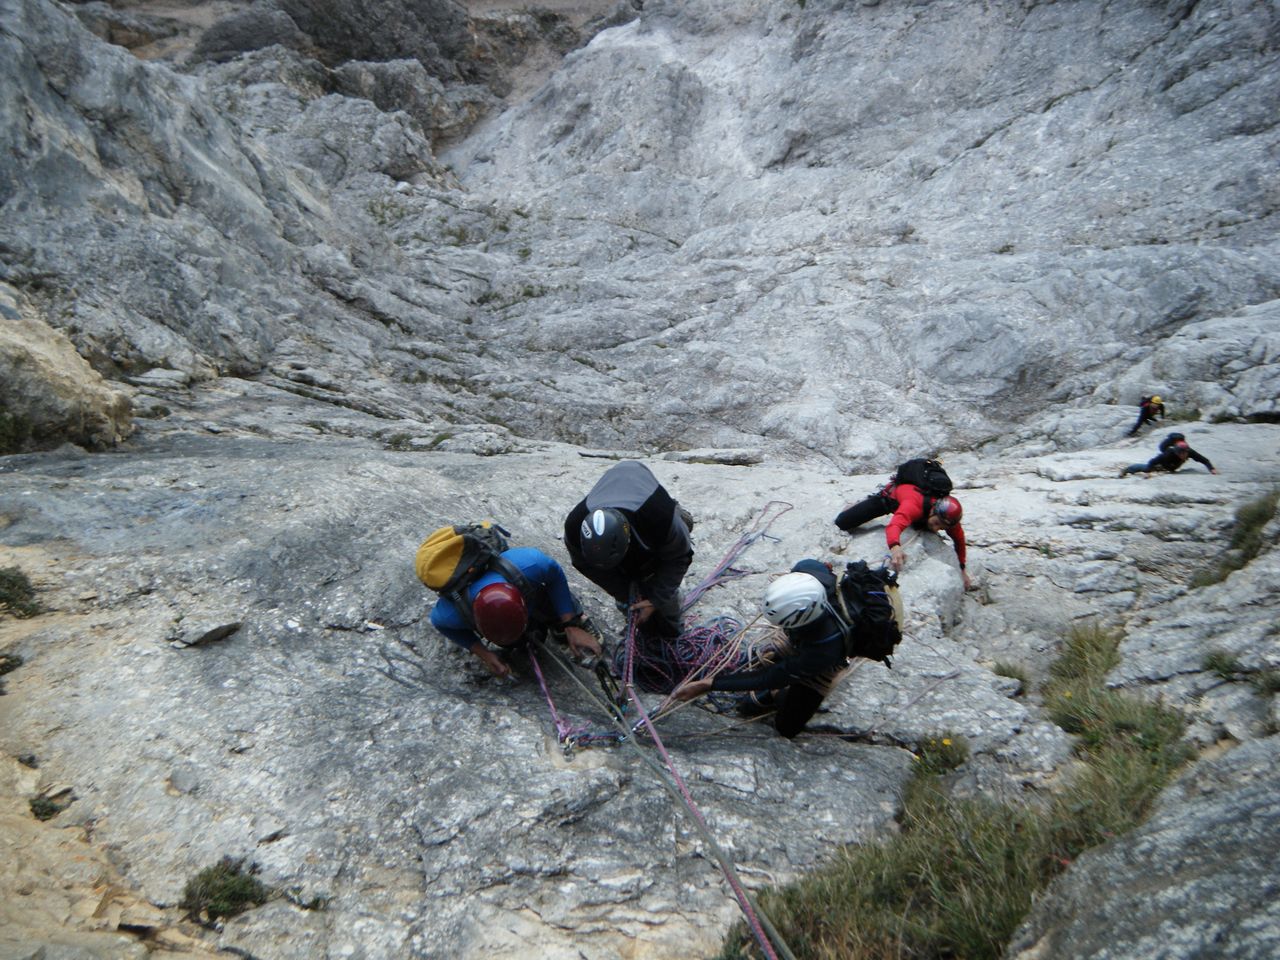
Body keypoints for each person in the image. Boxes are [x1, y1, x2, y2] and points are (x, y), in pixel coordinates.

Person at [672, 560, 850, 739]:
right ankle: (788, 656)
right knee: (779, 656)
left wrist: (709, 684)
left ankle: (779, 694)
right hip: (813, 631)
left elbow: (770, 677)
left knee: (786, 728)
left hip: (826, 656)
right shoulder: (809, 572)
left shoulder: (824, 649)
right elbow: (811, 565)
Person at [563, 461, 693, 641]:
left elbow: (680, 557)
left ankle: (680, 514)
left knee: (666, 603)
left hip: (641, 489)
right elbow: (585, 565)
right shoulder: (574, 528)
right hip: (620, 494)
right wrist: (627, 596)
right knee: (632, 592)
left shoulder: (658, 514)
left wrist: (656, 599)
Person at [430, 546, 602, 678]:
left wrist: (570, 623)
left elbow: (554, 574)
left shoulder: (530, 565)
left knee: (552, 602)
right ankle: (521, 637)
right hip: (510, 599)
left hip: (526, 589)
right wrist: (485, 654)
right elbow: (439, 624)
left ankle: (564, 625)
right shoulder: (453, 614)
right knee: (519, 644)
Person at [834, 477, 973, 590]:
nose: (936, 529)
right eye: (936, 523)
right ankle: (861, 502)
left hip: (916, 509)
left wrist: (962, 569)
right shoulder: (914, 505)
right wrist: (895, 547)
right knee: (842, 522)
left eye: (941, 528)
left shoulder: (947, 518)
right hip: (889, 499)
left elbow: (959, 540)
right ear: (932, 511)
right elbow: (894, 525)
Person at [1120, 435, 1218, 477]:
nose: (1184, 455)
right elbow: (1152, 461)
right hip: (1163, 465)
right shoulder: (1169, 453)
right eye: (1182, 453)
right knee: (1145, 468)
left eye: (1185, 453)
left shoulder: (1190, 452)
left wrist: (1211, 469)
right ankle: (1127, 469)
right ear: (1176, 452)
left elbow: (1204, 460)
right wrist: (1149, 471)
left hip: (1171, 466)